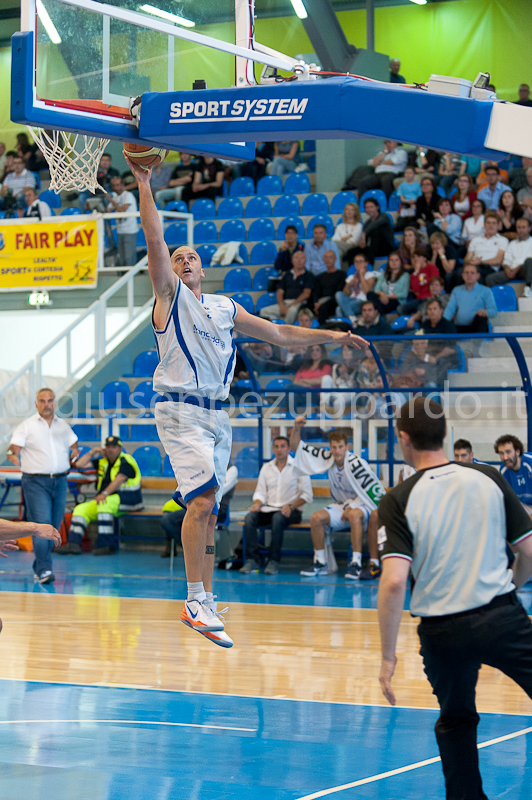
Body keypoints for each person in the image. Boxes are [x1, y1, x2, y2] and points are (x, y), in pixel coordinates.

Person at [125, 151, 367, 647]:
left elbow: (280, 333)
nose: (185, 259)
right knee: (204, 501)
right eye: (178, 258)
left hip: (218, 416)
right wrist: (144, 185)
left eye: (192, 256)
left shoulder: (224, 306)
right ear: (169, 273)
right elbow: (154, 239)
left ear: (203, 266)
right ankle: (194, 602)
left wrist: (334, 337)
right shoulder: (169, 299)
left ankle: (206, 600)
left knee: (210, 509)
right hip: (179, 408)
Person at [377, 397, 532, 800]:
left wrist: (388, 657)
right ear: (446, 433)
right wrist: (512, 585)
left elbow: (394, 583)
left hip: (441, 631)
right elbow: (529, 551)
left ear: (403, 440)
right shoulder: (488, 479)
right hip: (501, 616)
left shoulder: (398, 499)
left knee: (457, 721)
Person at [290, 419, 385, 580]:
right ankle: (320, 561)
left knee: (354, 514)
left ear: (347, 447)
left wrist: (351, 506)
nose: (337, 450)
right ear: (330, 448)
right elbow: (297, 448)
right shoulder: (328, 458)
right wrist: (296, 428)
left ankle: (356, 564)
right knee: (316, 518)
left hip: (363, 504)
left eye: (340, 447)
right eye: (334, 447)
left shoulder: (357, 464)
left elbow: (373, 494)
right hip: (342, 505)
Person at [7, 388, 79, 584]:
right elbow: (13, 448)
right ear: (36, 403)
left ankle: (39, 567)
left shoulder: (63, 426)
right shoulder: (26, 426)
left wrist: (75, 451)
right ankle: (45, 569)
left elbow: (74, 443)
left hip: (61, 480)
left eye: (50, 400)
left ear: (54, 402)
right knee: (42, 525)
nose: (46, 404)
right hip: (35, 482)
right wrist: (12, 455)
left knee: (53, 526)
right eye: (42, 401)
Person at [55, 436, 143, 556]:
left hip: (129, 500)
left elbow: (119, 479)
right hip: (108, 499)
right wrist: (93, 451)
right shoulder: (103, 461)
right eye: (108, 447)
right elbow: (80, 464)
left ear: (120, 448)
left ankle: (106, 545)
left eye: (114, 447)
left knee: (103, 504)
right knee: (81, 509)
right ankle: (74, 544)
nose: (110, 449)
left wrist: (104, 493)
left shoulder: (126, 461)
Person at [240, 437, 313, 575]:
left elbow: (307, 495)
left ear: (289, 449)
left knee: (278, 519)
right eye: (277, 446)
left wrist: (291, 506)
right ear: (273, 449)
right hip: (270, 509)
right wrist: (257, 503)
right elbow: (260, 492)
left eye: (283, 446)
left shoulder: (298, 467)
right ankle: (252, 560)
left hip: (292, 511)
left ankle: (273, 560)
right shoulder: (266, 468)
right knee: (250, 518)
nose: (280, 450)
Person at [160, 464, 238, 558]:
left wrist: (203, 485)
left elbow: (219, 491)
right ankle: (193, 549)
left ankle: (196, 551)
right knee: (168, 518)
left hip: (218, 510)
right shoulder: (205, 463)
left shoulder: (232, 470)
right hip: (197, 505)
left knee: (171, 519)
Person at [259, 250, 314, 324]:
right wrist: (281, 306)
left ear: (305, 261)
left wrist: (292, 305)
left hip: (299, 303)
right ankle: (278, 327)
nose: (299, 261)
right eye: (296, 258)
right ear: (292, 260)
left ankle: (286, 331)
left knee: (292, 311)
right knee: (264, 311)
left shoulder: (309, 275)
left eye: (302, 258)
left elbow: (306, 293)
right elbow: (280, 292)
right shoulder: (287, 274)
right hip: (285, 302)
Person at [444, 263, 497, 333]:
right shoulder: (456, 290)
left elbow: (493, 311)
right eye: (466, 272)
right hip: (459, 327)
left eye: (472, 273)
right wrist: (443, 321)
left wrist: (485, 312)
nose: (469, 275)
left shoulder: (486, 291)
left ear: (478, 276)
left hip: (477, 328)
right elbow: (450, 308)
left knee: (481, 319)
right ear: (462, 275)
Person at [485, 217, 532, 292]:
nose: (521, 230)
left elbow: (529, 260)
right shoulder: (512, 243)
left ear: (529, 228)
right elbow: (506, 260)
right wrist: (507, 269)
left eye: (523, 227)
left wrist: (516, 269)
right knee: (490, 278)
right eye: (518, 227)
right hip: (511, 270)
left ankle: (528, 288)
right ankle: (497, 300)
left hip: (525, 270)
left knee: (530, 262)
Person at [463, 212, 508, 283]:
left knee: (477, 276)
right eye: (488, 223)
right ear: (484, 225)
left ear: (498, 225)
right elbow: (467, 259)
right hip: (474, 266)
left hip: (490, 268)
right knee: (458, 273)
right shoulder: (475, 240)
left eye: (494, 223)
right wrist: (472, 261)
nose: (491, 225)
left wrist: (481, 262)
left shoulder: (503, 240)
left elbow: (498, 260)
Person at [420, 297, 458, 382]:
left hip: (445, 359)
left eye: (435, 309)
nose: (432, 311)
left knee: (440, 366)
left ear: (441, 310)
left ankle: (437, 392)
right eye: (429, 309)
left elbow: (451, 349)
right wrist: (426, 357)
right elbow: (419, 345)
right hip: (427, 358)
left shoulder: (449, 326)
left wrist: (435, 358)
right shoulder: (424, 325)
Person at [349, 198, 395, 266]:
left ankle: (370, 265)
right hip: (374, 248)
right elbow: (365, 240)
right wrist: (362, 243)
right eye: (367, 207)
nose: (369, 209)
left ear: (377, 207)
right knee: (352, 252)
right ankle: (353, 271)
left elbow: (375, 224)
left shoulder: (384, 217)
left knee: (376, 232)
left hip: (387, 247)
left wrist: (364, 233)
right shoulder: (367, 222)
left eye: (371, 207)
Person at [105, 175, 138, 267]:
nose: (116, 188)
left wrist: (110, 200)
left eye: (118, 185)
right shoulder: (115, 197)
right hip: (120, 231)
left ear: (122, 185)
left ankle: (131, 280)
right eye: (114, 186)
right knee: (123, 259)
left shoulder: (128, 195)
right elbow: (108, 210)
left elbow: (122, 210)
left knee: (129, 259)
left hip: (130, 231)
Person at [495, 434, 532, 517]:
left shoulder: (530, 463)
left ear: (517, 452)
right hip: (525, 505)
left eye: (508, 452)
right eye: (501, 453)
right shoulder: (504, 469)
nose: (505, 457)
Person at [335, 253, 377, 321]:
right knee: (338, 294)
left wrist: (361, 275)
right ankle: (351, 318)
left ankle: (346, 324)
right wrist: (349, 285)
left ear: (366, 263)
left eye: (361, 261)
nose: (358, 263)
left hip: (362, 301)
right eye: (356, 261)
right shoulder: (351, 277)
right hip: (351, 299)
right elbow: (345, 294)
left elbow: (367, 291)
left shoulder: (370, 275)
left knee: (339, 309)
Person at [398, 249, 439, 315]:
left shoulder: (432, 267)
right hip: (419, 299)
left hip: (430, 298)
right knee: (400, 308)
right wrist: (416, 271)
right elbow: (415, 288)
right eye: (414, 257)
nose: (416, 259)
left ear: (425, 258)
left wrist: (422, 288)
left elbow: (434, 283)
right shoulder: (414, 274)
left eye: (419, 256)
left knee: (419, 310)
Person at [312, 250, 346, 324]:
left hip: (334, 300)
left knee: (323, 308)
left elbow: (339, 291)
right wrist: (315, 302)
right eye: (326, 257)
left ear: (335, 259)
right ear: (323, 259)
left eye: (330, 257)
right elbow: (316, 291)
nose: (328, 260)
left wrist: (321, 304)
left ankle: (322, 330)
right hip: (321, 300)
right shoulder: (319, 277)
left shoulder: (342, 275)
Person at [395, 166, 422, 230]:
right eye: (406, 173)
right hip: (405, 203)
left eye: (410, 173)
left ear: (414, 175)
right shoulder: (401, 185)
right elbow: (401, 197)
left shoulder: (417, 185)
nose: (408, 175)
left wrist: (414, 201)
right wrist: (407, 201)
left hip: (415, 203)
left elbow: (419, 196)